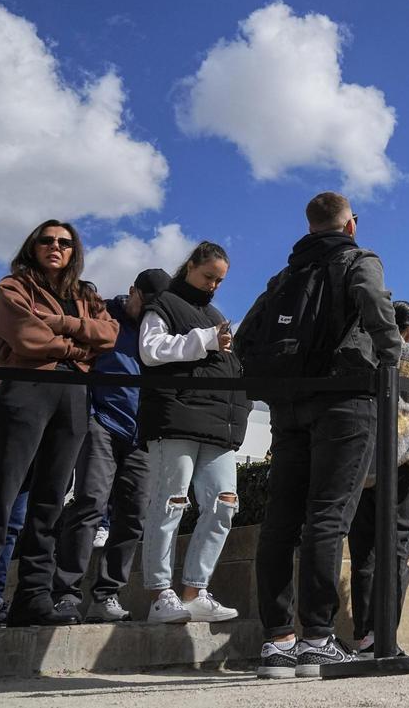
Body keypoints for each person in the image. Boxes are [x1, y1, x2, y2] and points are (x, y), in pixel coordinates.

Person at [242, 193, 400, 678]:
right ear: (350, 224)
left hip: (290, 406)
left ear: (309, 226)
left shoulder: (285, 275)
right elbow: (374, 305)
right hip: (344, 399)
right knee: (329, 516)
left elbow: (248, 334)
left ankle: (277, 641)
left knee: (281, 519)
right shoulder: (359, 258)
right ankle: (317, 637)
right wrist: (391, 356)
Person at [0, 220, 118, 628]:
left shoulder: (86, 294)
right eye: (47, 240)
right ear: (34, 246)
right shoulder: (13, 288)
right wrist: (78, 347)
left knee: (50, 501)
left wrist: (62, 325)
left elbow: (110, 334)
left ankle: (33, 596)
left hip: (74, 395)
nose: (55, 246)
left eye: (64, 242)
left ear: (73, 251)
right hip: (26, 389)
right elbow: (26, 338)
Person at [138, 242, 251, 624]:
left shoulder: (213, 312)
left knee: (224, 504)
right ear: (190, 265)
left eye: (220, 280)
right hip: (176, 417)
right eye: (209, 277)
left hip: (217, 424)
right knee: (170, 501)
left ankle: (195, 591)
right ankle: (158, 595)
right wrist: (205, 341)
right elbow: (150, 350)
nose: (214, 285)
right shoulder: (164, 302)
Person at [52, 269, 169, 623]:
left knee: (134, 514)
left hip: (141, 434)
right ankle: (66, 594)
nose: (148, 311)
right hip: (101, 421)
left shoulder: (160, 325)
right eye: (144, 303)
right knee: (90, 502)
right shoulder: (104, 314)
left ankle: (107, 594)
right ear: (132, 292)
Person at [348, 299, 409, 657]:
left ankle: (364, 635)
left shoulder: (363, 349)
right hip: (404, 459)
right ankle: (384, 633)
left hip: (363, 463)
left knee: (364, 553)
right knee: (398, 549)